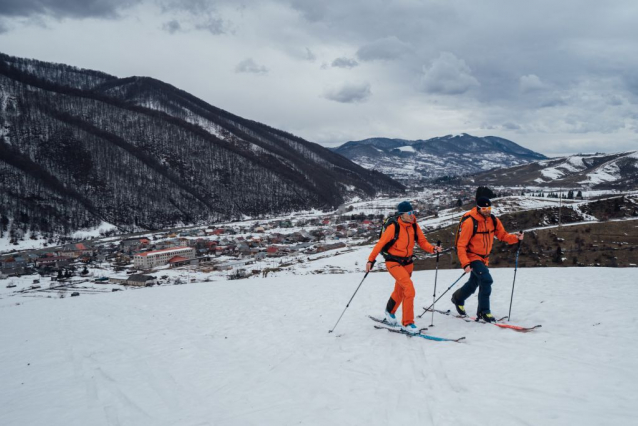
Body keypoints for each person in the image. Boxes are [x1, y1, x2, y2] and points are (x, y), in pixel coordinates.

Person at [366, 201, 443, 334]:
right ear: (402, 214)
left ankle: (389, 312)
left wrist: (433, 249)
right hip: (393, 262)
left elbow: (422, 242)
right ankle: (408, 323)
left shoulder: (414, 225)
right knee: (409, 288)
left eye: (413, 212)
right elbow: (380, 244)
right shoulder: (393, 227)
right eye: (409, 213)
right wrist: (370, 260)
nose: (412, 215)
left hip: (407, 263)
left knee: (401, 290)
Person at [451, 195, 524, 322]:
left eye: (489, 208)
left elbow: (502, 235)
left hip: (484, 258)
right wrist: (465, 263)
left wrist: (516, 238)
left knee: (473, 283)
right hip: (473, 256)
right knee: (486, 280)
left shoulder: (493, 220)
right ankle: (484, 312)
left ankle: (457, 298)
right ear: (478, 208)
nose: (487, 211)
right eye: (484, 209)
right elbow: (461, 245)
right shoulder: (470, 222)